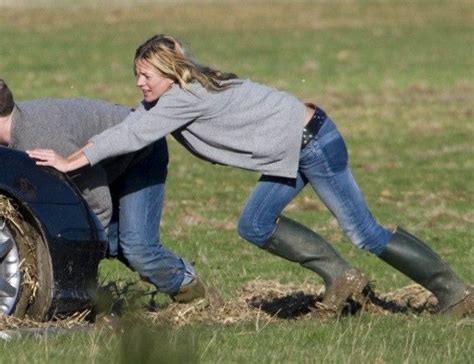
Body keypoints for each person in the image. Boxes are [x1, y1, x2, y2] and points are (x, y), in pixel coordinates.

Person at [27, 35, 473, 316]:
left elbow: (128, 136)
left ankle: (454, 293)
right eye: (137, 75)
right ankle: (344, 281)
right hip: (291, 149)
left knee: (365, 232)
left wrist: (69, 162)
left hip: (313, 144)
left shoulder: (184, 97)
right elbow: (129, 128)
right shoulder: (177, 93)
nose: (140, 83)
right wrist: (76, 154)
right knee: (255, 225)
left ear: (167, 72)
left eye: (145, 75)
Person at [0, 78, 206, 304]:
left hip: (140, 150)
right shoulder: (16, 134)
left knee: (136, 249)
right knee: (115, 243)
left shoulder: (40, 141)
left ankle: (191, 290)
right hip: (104, 162)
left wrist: (78, 259)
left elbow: (99, 202)